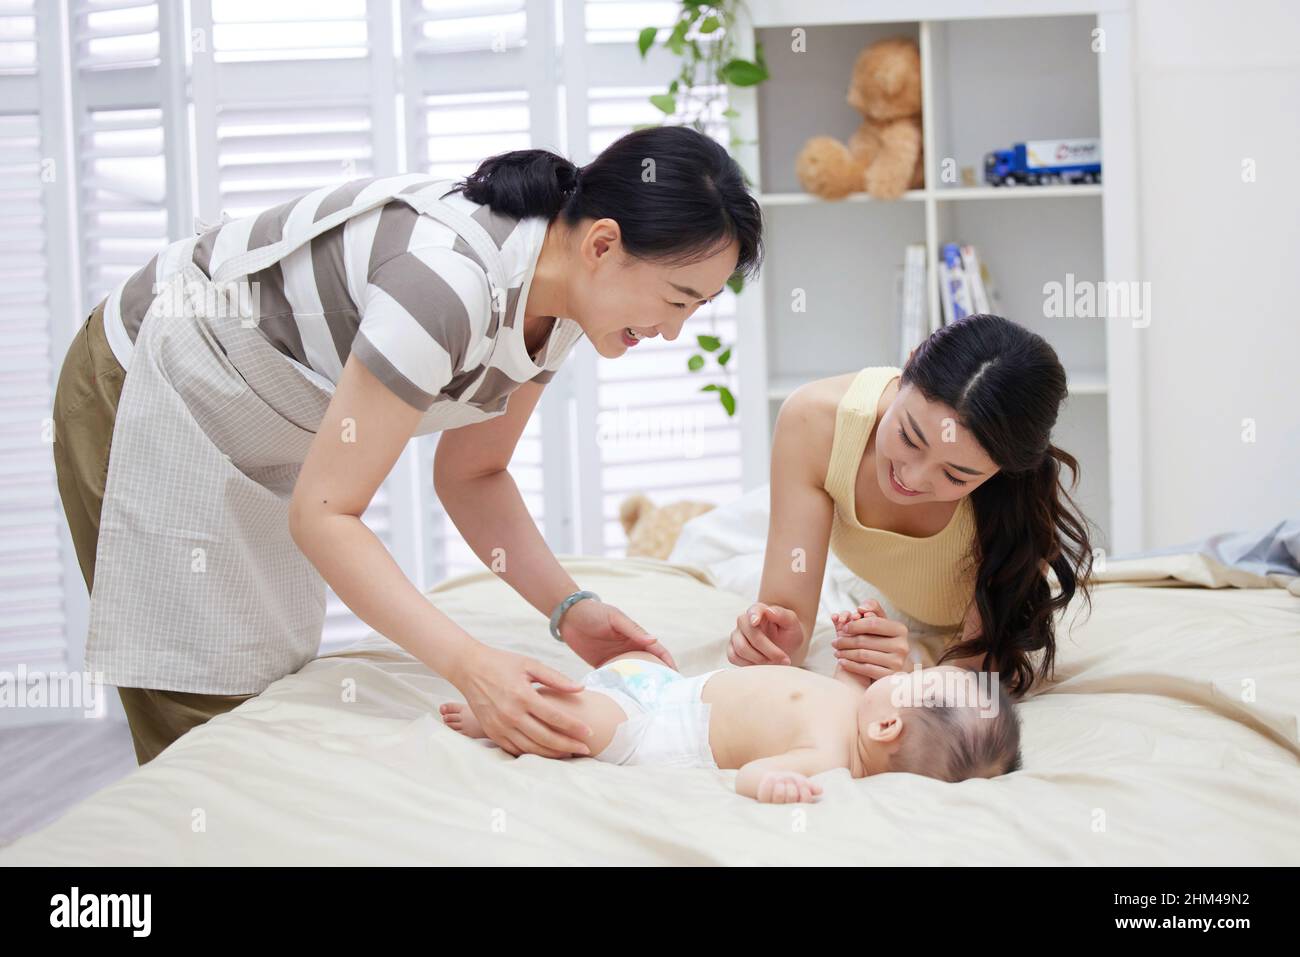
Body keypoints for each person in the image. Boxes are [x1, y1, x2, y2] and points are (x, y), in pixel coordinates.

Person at [51, 125, 764, 764]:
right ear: (602, 244)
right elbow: (325, 515)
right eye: (676, 299)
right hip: (158, 380)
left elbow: (475, 474)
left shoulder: (563, 307)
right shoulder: (446, 284)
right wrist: (471, 664)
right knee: (201, 704)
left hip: (260, 416)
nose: (673, 331)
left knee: (260, 687)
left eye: (695, 308)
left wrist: (570, 610)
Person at [727, 314, 1097, 697]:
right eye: (908, 436)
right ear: (909, 363)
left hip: (943, 630)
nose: (913, 479)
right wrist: (771, 641)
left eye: (955, 476)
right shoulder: (814, 420)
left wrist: (909, 674)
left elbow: (976, 672)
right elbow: (790, 626)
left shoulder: (1019, 500)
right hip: (866, 588)